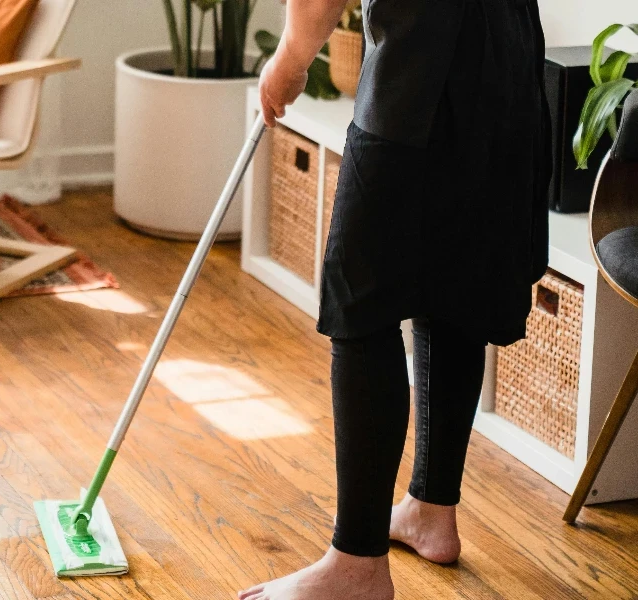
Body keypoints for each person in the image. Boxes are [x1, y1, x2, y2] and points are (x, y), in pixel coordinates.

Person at [240, 0, 551, 598]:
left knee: (362, 305)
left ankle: (355, 565)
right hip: (509, 69)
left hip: (419, 70)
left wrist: (291, 57)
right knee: (453, 285)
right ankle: (431, 510)